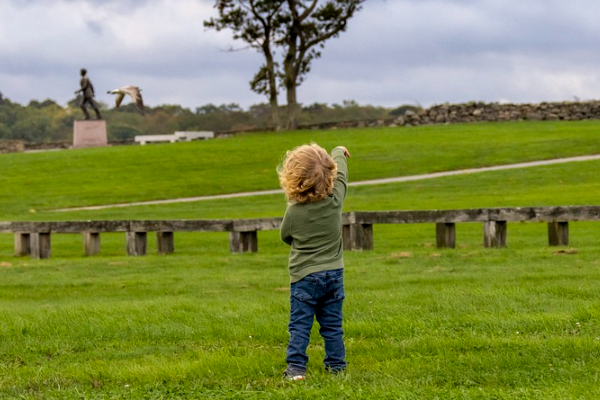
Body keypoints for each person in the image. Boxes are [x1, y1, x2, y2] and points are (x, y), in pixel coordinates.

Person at [277, 143, 351, 381]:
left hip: (304, 278)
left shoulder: (294, 212)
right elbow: (343, 176)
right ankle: (336, 367)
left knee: (300, 325)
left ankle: (297, 369)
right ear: (330, 173)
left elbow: (285, 236)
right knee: (332, 326)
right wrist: (339, 151)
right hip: (334, 275)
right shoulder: (335, 200)